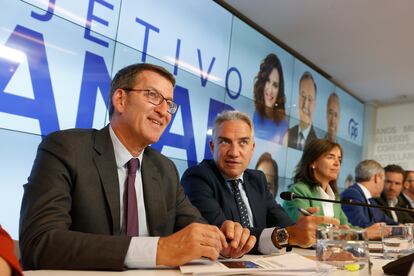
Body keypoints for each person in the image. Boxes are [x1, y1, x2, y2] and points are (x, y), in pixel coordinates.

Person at [19, 63, 255, 270]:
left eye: (170, 104)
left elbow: (197, 230)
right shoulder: (66, 149)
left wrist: (225, 243)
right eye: (153, 96)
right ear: (120, 99)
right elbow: (40, 242)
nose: (164, 111)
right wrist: (158, 250)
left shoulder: (165, 169)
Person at [181, 110, 339, 255]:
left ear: (252, 148)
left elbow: (283, 223)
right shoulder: (197, 177)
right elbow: (226, 235)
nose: (234, 152)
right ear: (212, 146)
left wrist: (303, 228)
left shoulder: (257, 179)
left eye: (243, 142)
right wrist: (287, 235)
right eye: (225, 142)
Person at [283, 139, 384, 239]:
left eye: (339, 159)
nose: (337, 163)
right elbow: (305, 231)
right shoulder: (298, 191)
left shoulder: (334, 197)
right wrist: (361, 234)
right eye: (330, 157)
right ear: (313, 162)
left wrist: (367, 231)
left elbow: (346, 226)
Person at [340, 160, 397, 228]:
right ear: (377, 178)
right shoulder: (352, 194)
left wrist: (402, 226)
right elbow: (359, 225)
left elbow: (386, 220)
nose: (383, 185)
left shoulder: (370, 200)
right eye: (383, 180)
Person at [252, 53, 288, 144]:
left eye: (275, 85)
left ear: (279, 90)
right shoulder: (255, 115)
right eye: (267, 81)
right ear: (262, 83)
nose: (270, 90)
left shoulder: (283, 124)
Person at [285, 71, 318, 150]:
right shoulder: (288, 135)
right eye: (303, 96)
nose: (305, 104)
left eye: (310, 99)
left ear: (315, 105)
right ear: (298, 98)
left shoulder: (317, 145)